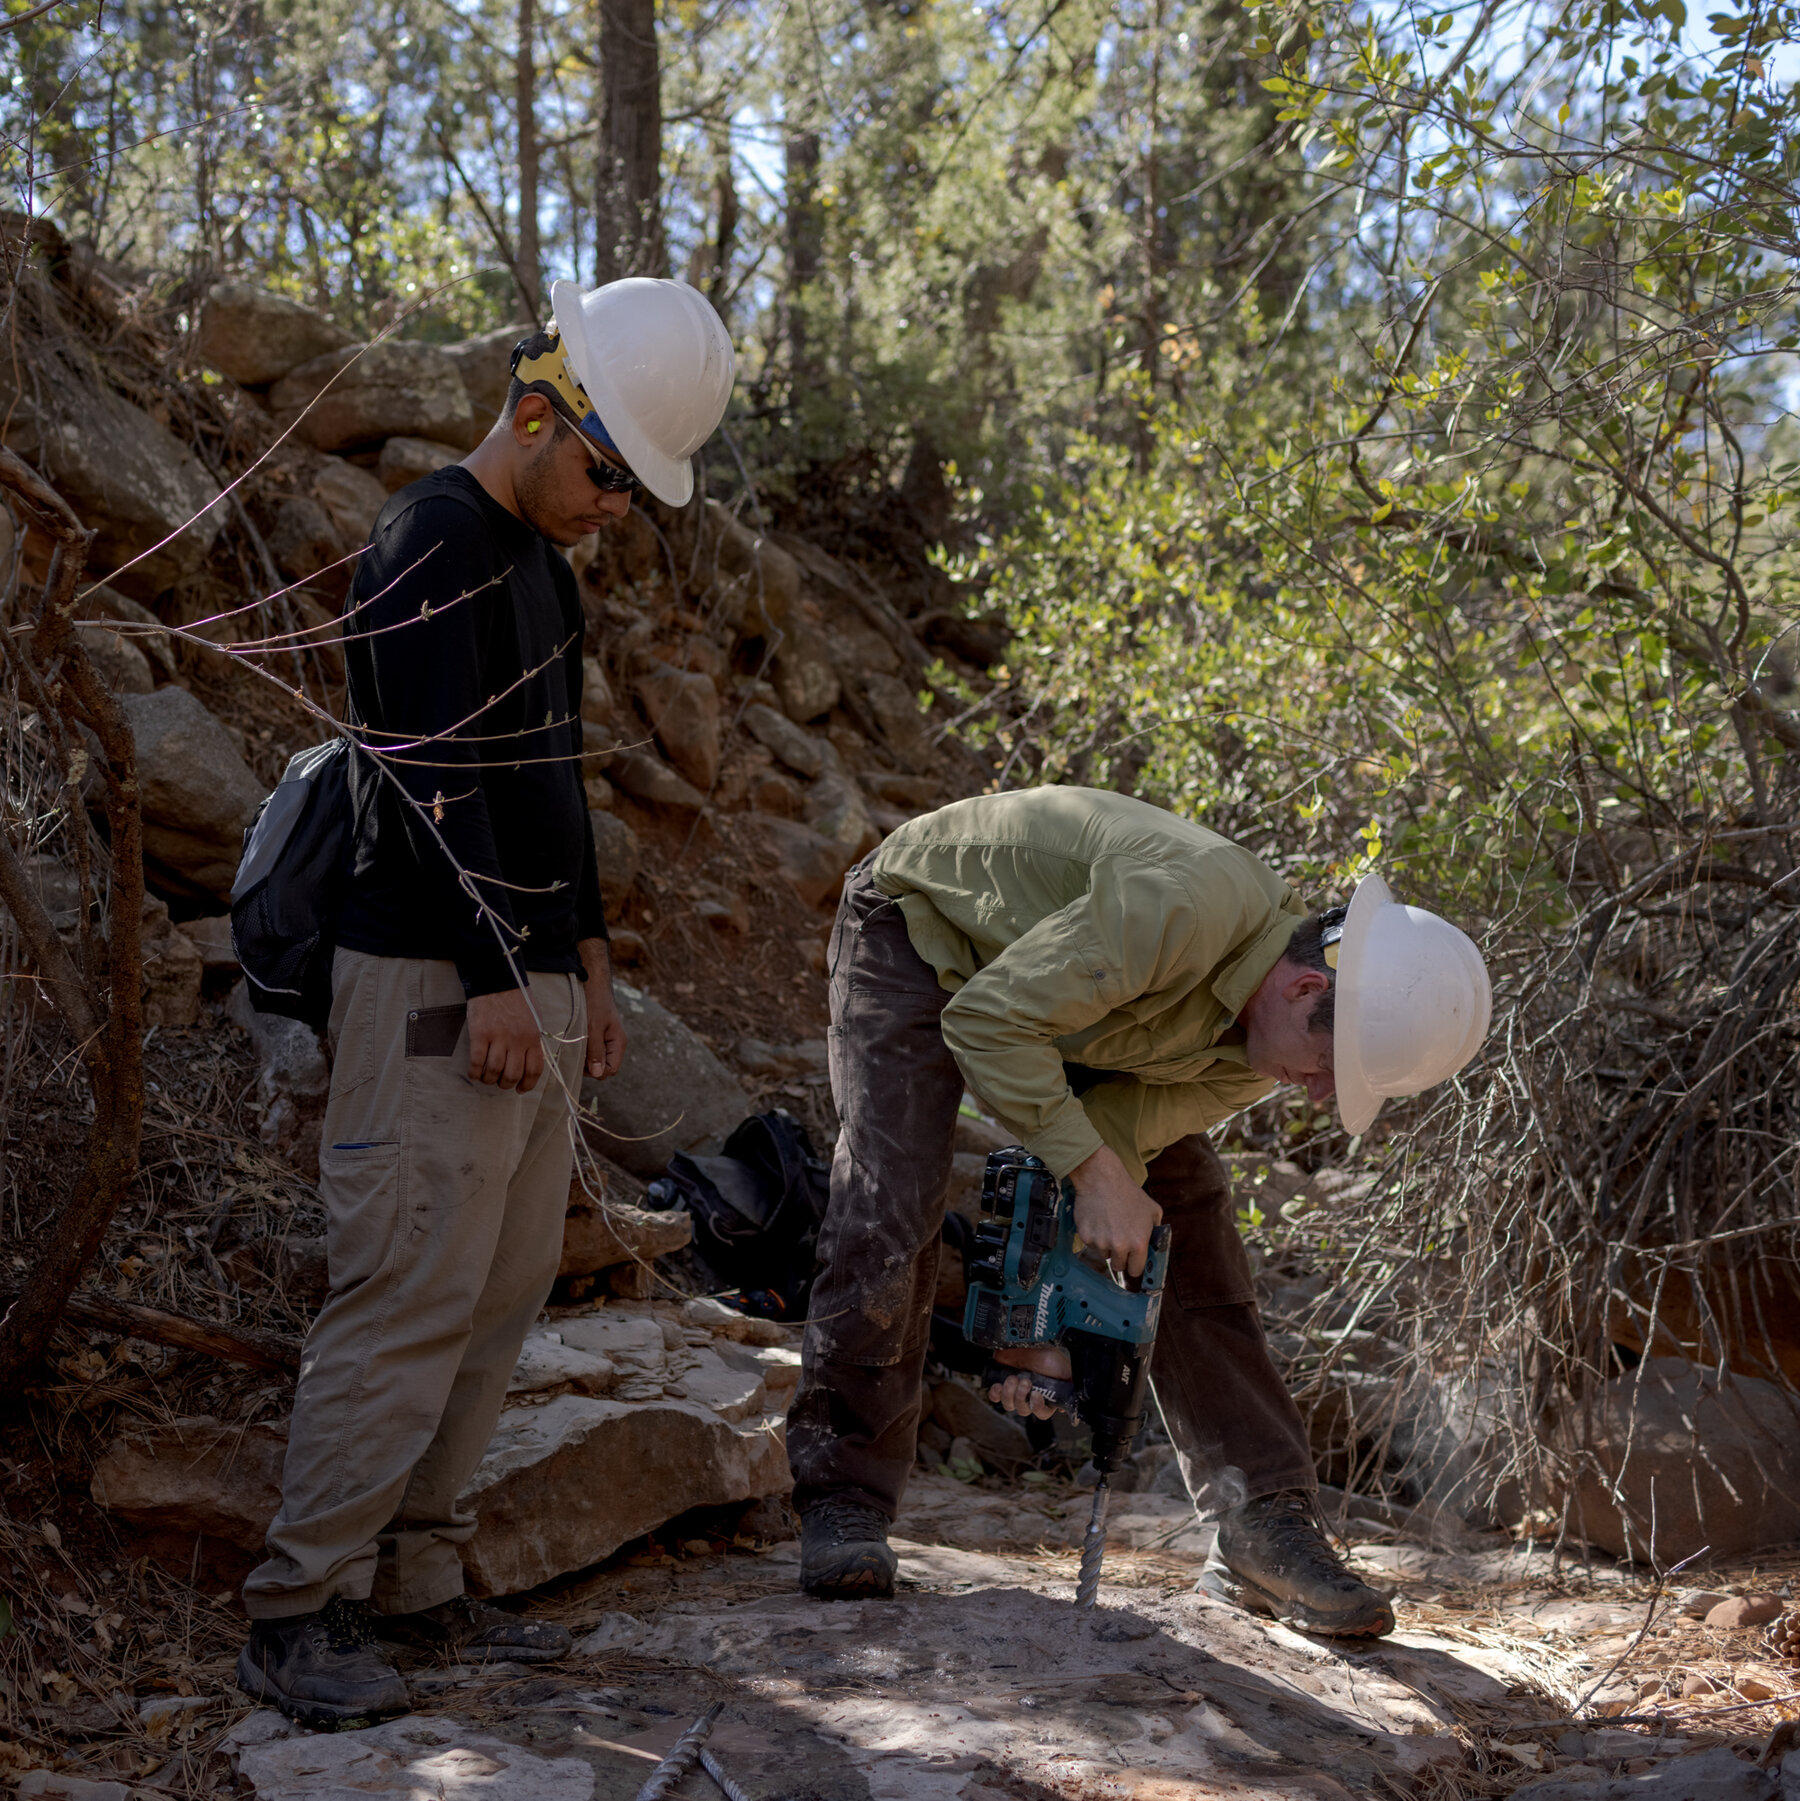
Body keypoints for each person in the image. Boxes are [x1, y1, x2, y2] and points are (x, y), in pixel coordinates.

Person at [235, 278, 735, 1728]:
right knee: (404, 1296)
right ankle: (299, 1612)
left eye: (637, 491)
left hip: (522, 985)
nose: (616, 508)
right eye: (605, 473)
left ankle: (420, 1587)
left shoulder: (542, 570)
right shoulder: (426, 542)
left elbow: (546, 780)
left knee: (497, 1296)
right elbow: (419, 782)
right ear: (536, 410)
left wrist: (582, 954)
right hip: (432, 982)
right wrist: (497, 971)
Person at [788, 785, 1490, 1637]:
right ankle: (844, 1500)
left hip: (1068, 1014)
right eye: (1326, 1065)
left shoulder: (1252, 1051)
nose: (1315, 1094)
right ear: (1306, 986)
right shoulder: (1181, 908)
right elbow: (988, 1020)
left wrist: (1041, 1319)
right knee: (892, 1190)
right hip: (922, 930)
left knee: (1182, 1206)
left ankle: (1262, 1520)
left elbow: (1116, 1147)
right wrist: (1091, 1170)